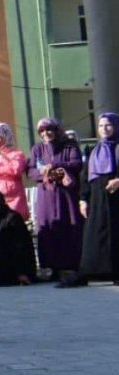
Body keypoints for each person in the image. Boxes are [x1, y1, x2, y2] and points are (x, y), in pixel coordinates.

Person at [29, 117, 85, 277]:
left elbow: (76, 164)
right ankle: (49, 267)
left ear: (56, 130)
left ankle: (69, 266)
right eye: (42, 131)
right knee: (47, 227)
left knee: (68, 225)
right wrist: (45, 174)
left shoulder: (69, 145)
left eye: (49, 129)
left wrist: (56, 166)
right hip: (46, 194)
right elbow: (31, 171)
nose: (46, 133)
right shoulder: (37, 148)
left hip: (65, 195)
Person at [80, 112, 119, 282]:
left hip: (116, 198)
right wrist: (83, 199)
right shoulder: (93, 150)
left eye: (108, 125)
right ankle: (98, 271)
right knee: (97, 233)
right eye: (101, 126)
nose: (104, 129)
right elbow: (85, 176)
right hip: (97, 198)